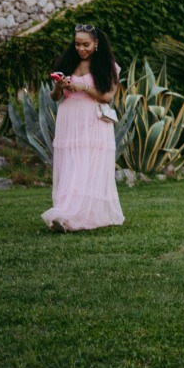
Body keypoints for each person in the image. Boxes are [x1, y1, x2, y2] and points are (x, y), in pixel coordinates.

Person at [42, 24, 124, 232]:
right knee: (70, 167)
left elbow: (107, 97)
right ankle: (66, 213)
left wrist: (84, 87)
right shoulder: (68, 63)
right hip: (69, 119)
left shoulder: (108, 66)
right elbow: (55, 98)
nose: (81, 49)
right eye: (77, 44)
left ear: (96, 43)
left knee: (86, 168)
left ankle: (75, 216)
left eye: (86, 44)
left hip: (92, 121)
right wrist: (59, 88)